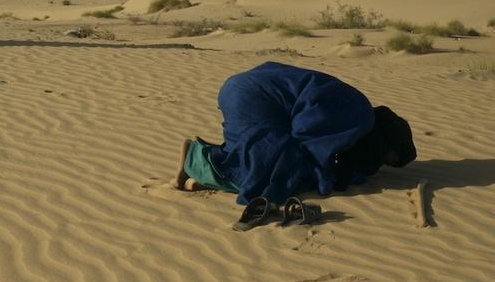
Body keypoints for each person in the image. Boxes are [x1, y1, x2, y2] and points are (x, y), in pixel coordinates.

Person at [173, 61, 416, 205]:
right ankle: (195, 159)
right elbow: (307, 133)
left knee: (257, 155)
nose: (378, 164)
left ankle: (209, 162)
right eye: (386, 158)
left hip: (249, 89)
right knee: (265, 175)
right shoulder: (359, 117)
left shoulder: (358, 111)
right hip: (254, 97)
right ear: (386, 141)